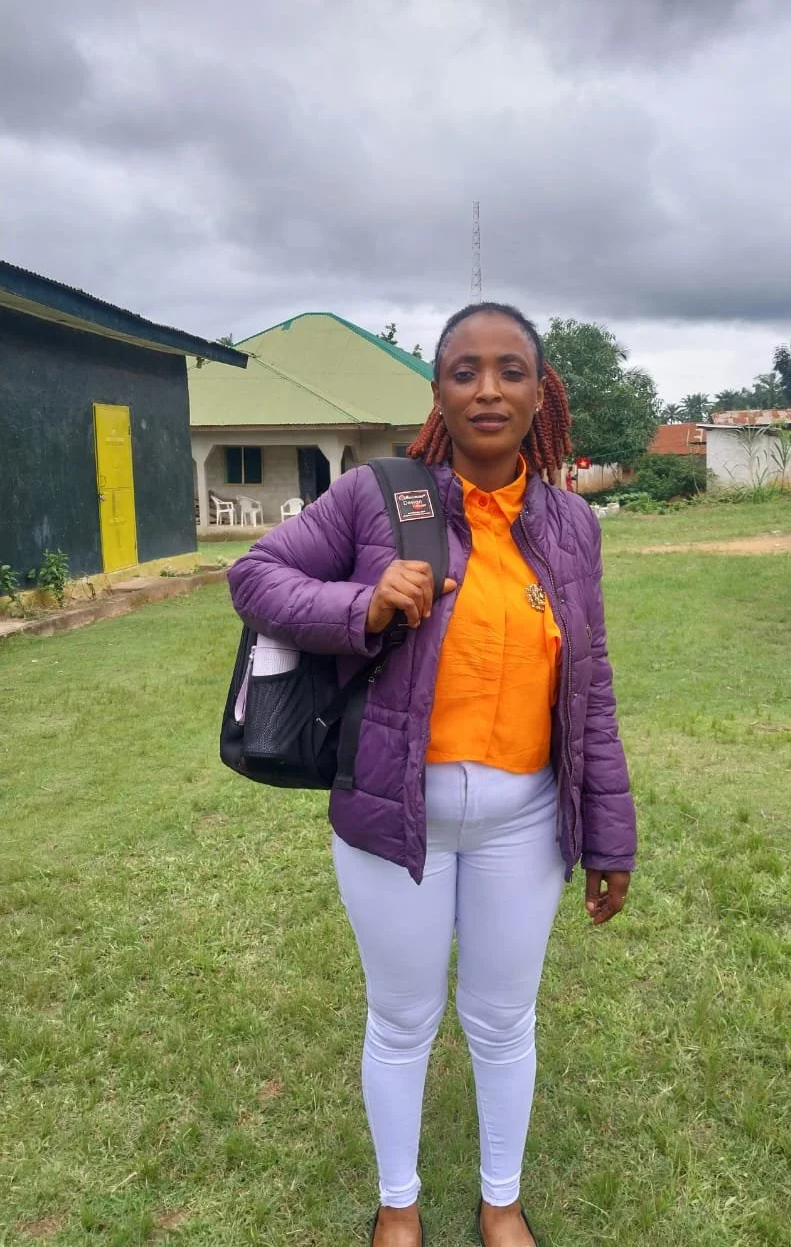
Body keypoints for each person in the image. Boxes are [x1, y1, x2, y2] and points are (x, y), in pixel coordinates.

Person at [227, 303, 637, 1247]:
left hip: (523, 822)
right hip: (390, 813)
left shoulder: (571, 526)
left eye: (509, 371)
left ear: (542, 394)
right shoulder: (382, 498)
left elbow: (592, 684)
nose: (487, 389)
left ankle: (501, 1202)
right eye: (464, 371)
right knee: (403, 1020)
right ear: (439, 392)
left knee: (502, 1021)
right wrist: (360, 605)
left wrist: (609, 828)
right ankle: (400, 1206)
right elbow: (255, 576)